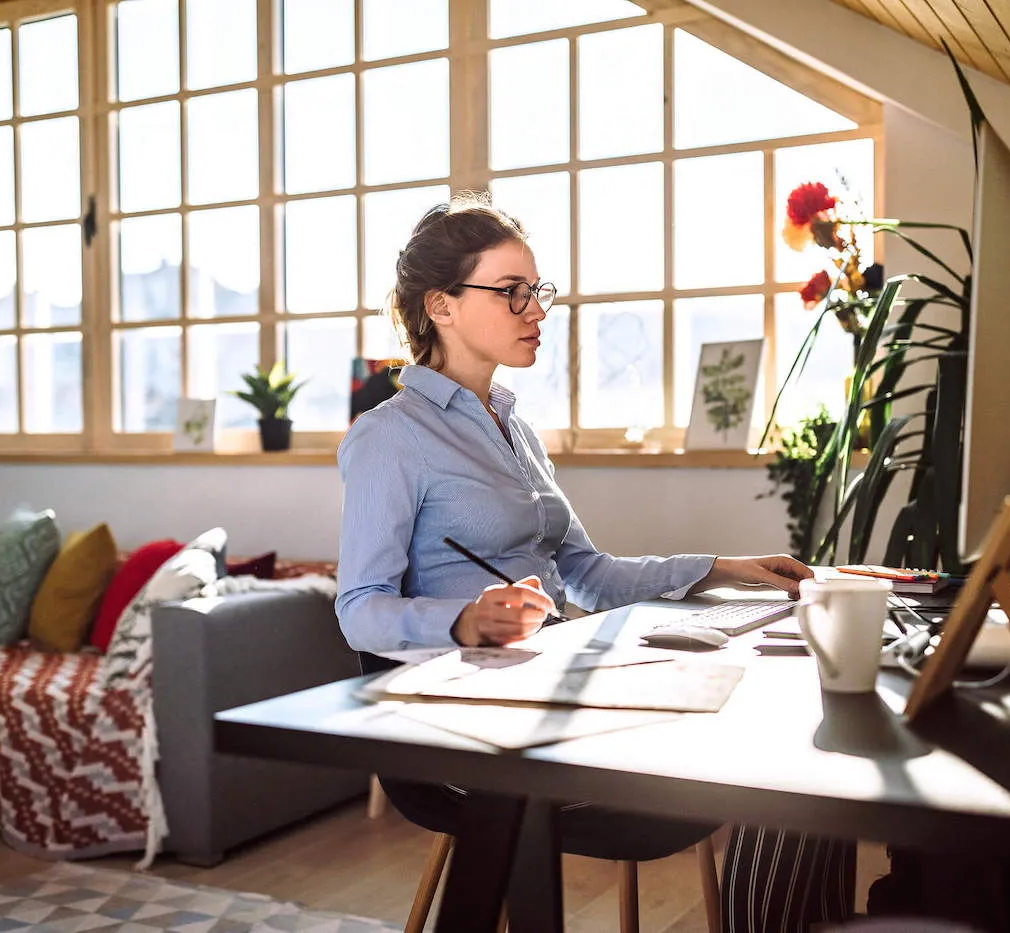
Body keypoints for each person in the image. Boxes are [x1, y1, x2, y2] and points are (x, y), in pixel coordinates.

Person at [335, 192, 854, 929]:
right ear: (441, 305)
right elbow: (358, 607)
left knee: (789, 723)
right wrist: (461, 619)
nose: (536, 310)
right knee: (769, 748)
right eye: (512, 292)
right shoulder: (388, 438)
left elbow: (589, 572)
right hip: (467, 733)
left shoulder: (515, 428)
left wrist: (724, 566)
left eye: (536, 291)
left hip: (548, 690)